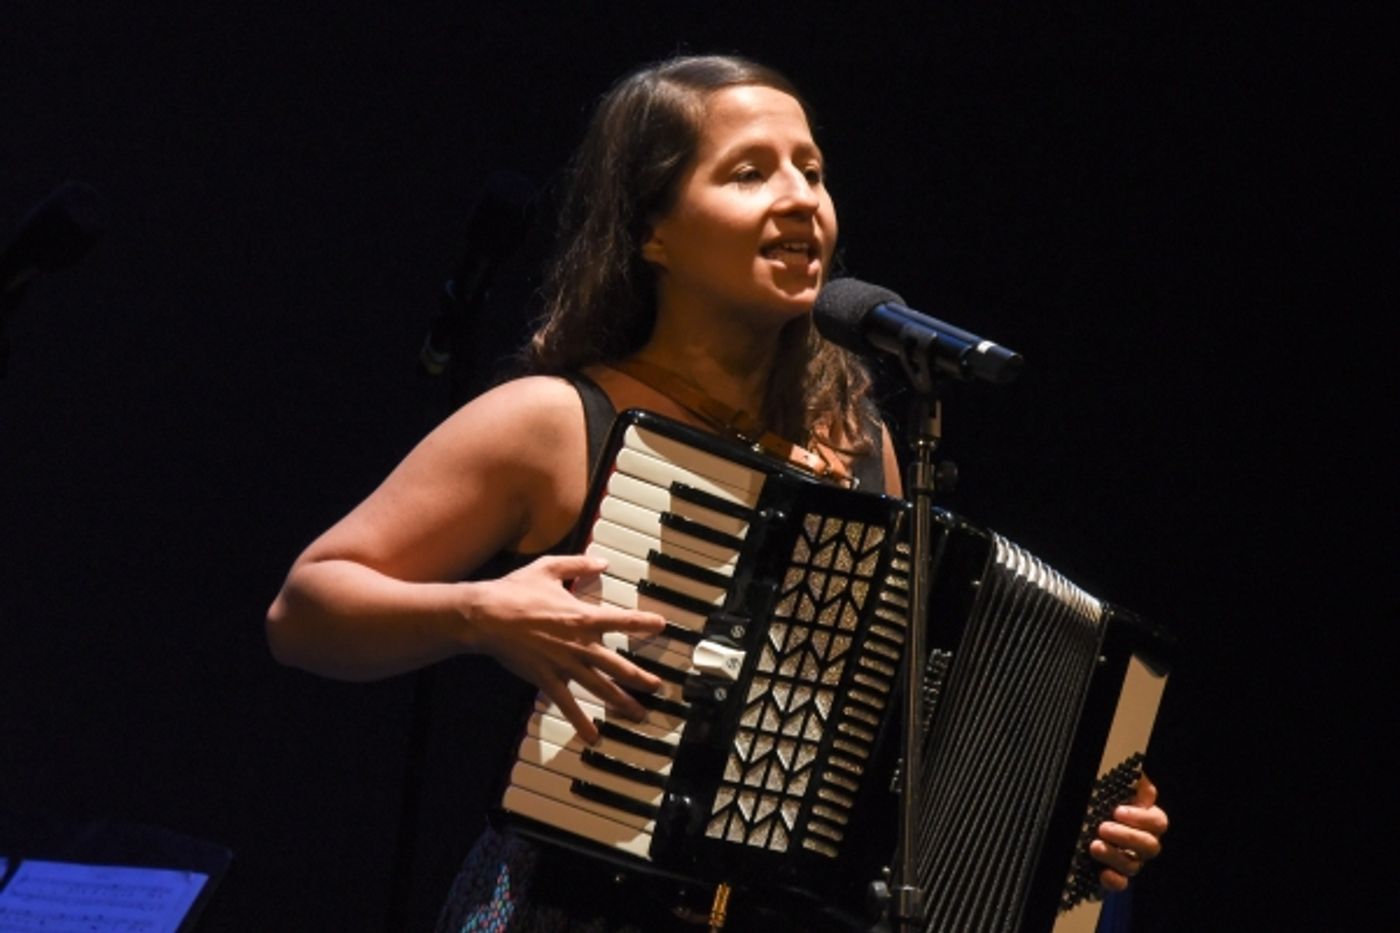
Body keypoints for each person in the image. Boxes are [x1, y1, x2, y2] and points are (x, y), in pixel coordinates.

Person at [266, 54, 1168, 932]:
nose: (799, 198)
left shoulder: (861, 447)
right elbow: (304, 609)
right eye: (748, 173)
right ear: (651, 230)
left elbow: (892, 745)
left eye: (811, 171)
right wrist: (476, 614)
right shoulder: (553, 422)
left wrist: (1062, 826)